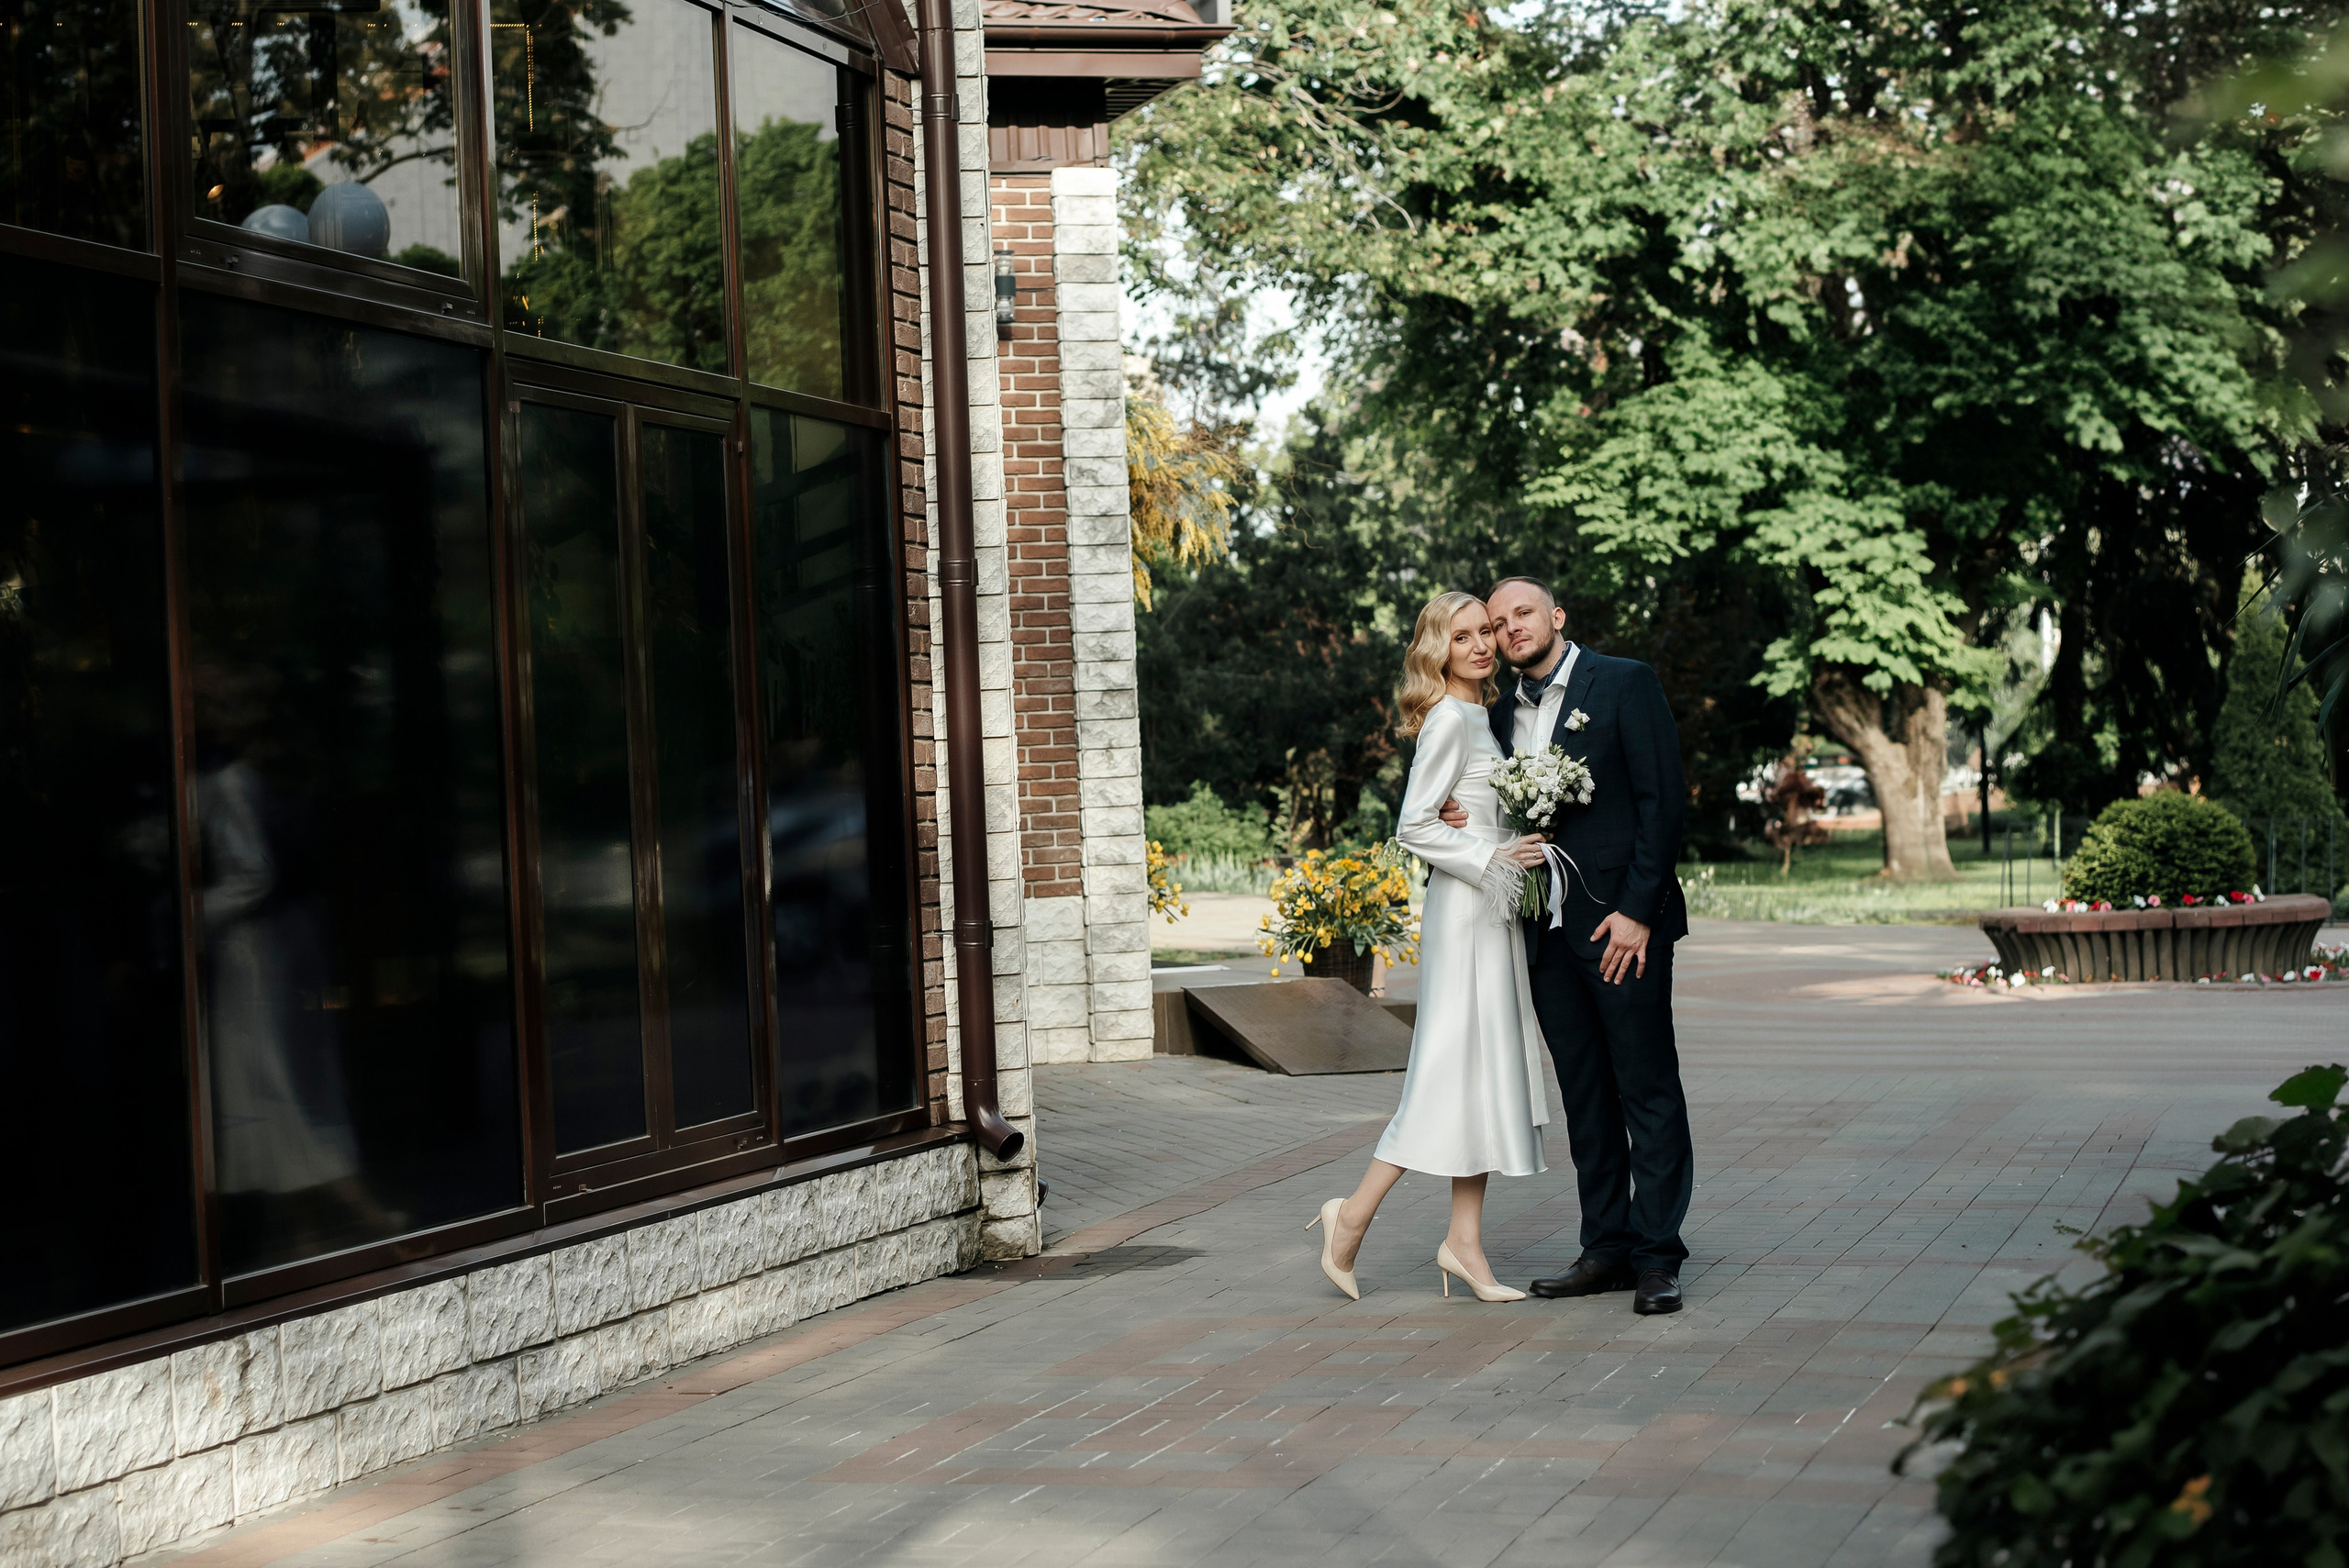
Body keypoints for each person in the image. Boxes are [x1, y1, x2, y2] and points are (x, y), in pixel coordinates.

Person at [1443, 574, 1694, 1314]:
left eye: (1522, 613)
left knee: (1645, 1087)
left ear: (1556, 615)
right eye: (1496, 622)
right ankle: (1606, 1247)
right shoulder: (1493, 718)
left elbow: (1663, 800)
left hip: (1623, 929)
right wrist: (1460, 816)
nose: (1509, 628)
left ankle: (1658, 1255)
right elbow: (1479, 802)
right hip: (1544, 935)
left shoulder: (1624, 683)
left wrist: (1638, 911)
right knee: (1585, 1093)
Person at [1308, 590, 1553, 1303]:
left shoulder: (1480, 714)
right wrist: (1492, 856)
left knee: (1476, 1079)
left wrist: (1499, 837)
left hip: (1491, 912)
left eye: (1487, 632)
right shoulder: (1449, 719)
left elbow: (1471, 808)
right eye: (1465, 634)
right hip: (1464, 912)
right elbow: (1415, 826)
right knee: (1446, 1072)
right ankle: (1349, 1217)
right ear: (1437, 649)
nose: (1482, 644)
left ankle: (1465, 1244)